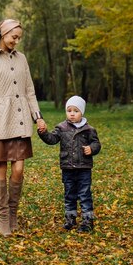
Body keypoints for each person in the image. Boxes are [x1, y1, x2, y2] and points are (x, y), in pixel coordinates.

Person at [0, 18, 46, 236]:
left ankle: (13, 211)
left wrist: (38, 117)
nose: (16, 41)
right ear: (2, 33)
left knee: (19, 168)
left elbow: (30, 91)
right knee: (1, 167)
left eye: (19, 38)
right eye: (14, 37)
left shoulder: (22, 58)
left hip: (21, 119)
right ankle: (3, 215)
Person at [38, 95, 101, 232]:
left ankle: (87, 220)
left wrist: (92, 149)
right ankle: (70, 218)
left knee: (84, 193)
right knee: (69, 193)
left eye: (76, 111)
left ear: (82, 112)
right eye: (69, 110)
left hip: (84, 167)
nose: (72, 114)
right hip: (68, 167)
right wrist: (43, 133)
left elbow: (96, 143)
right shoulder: (61, 128)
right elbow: (52, 139)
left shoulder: (89, 129)